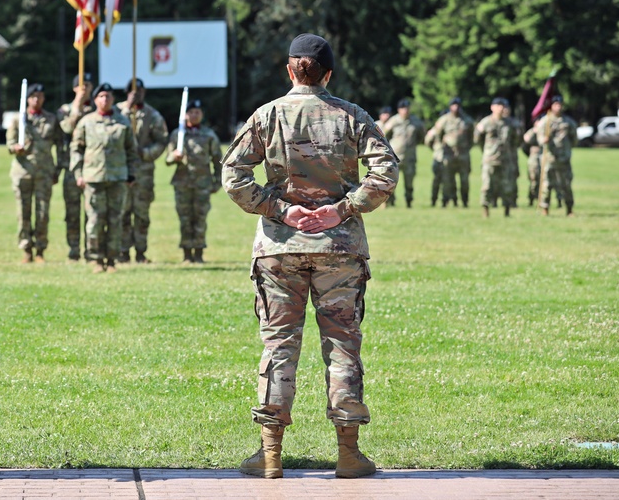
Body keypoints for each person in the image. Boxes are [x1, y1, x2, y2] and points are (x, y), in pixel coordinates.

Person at [222, 34, 397, 481]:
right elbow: (386, 172)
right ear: (328, 73)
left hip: (280, 250)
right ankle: (348, 454)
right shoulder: (352, 116)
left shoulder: (268, 115)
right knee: (342, 345)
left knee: (279, 346)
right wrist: (341, 209)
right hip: (340, 250)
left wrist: (281, 209)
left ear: (290, 71)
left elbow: (233, 174)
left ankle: (270, 454)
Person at [70, 82, 138, 273]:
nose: (105, 99)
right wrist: (78, 174)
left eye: (108, 96)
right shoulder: (86, 121)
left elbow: (131, 150)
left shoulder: (122, 122)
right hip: (93, 178)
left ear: (113, 100)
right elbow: (76, 149)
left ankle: (112, 259)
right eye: (101, 96)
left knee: (115, 220)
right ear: (95, 100)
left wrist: (132, 173)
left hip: (118, 178)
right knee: (94, 221)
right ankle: (96, 258)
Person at [6, 82, 61, 263]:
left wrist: (58, 169)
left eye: (40, 97)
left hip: (44, 171)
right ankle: (26, 248)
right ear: (27, 99)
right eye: (33, 97)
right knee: (24, 212)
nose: (37, 100)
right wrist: (16, 148)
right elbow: (10, 144)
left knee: (43, 213)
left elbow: (60, 145)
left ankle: (40, 250)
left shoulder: (51, 119)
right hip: (23, 172)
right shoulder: (18, 120)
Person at [117, 78, 168, 263]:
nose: (136, 93)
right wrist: (126, 108)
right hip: (121, 171)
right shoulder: (117, 111)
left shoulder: (152, 115)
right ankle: (122, 251)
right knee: (122, 212)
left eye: (139, 90)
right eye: (132, 90)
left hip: (143, 173)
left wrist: (145, 153)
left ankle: (140, 252)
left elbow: (161, 141)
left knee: (141, 215)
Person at [165, 99, 222, 263]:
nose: (194, 115)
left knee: (200, 218)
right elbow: (167, 160)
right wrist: (174, 156)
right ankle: (186, 254)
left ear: (201, 114)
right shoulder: (178, 134)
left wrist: (217, 182)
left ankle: (198, 253)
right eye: (191, 112)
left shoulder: (209, 135)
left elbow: (218, 160)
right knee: (184, 218)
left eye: (197, 112)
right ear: (185, 114)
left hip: (202, 184)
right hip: (182, 184)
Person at [57, 73, 94, 261]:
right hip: (72, 167)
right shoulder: (65, 110)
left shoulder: (98, 109)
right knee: (72, 212)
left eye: (87, 85)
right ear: (74, 88)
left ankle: (91, 249)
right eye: (81, 85)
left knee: (92, 212)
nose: (85, 88)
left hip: (93, 167)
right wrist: (77, 107)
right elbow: (67, 128)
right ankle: (73, 250)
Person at [474, 97, 519, 218]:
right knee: (487, 185)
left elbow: (516, 140)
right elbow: (478, 139)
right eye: (498, 105)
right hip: (490, 159)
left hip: (506, 160)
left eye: (502, 106)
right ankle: (485, 209)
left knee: (507, 186)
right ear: (492, 107)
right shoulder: (485, 122)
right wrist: (487, 151)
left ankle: (507, 210)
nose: (501, 108)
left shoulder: (510, 123)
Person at [533, 95, 578, 217]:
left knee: (566, 185)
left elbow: (574, 139)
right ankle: (545, 208)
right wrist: (544, 140)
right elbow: (539, 138)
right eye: (555, 104)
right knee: (547, 185)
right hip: (549, 159)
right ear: (551, 106)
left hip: (564, 159)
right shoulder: (545, 121)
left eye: (560, 104)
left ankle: (569, 209)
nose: (558, 107)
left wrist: (566, 149)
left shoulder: (568, 122)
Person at [429, 97, 473, 207]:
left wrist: (466, 148)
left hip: (463, 155)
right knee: (448, 180)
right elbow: (437, 136)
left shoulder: (467, 120)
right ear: (450, 107)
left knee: (464, 180)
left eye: (458, 105)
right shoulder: (443, 120)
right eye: (453, 105)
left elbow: (472, 138)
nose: (456, 107)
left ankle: (465, 201)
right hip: (448, 155)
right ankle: (448, 200)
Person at [381, 99, 425, 207]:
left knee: (409, 182)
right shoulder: (393, 121)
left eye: (407, 108)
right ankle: (389, 202)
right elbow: (384, 136)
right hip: (395, 158)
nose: (405, 110)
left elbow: (421, 136)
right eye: (403, 108)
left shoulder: (415, 122)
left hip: (410, 157)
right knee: (391, 181)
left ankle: (409, 201)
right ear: (399, 110)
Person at [521, 126, 541, 206]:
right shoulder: (532, 131)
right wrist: (534, 131)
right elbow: (525, 142)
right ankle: (531, 199)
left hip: (545, 158)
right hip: (534, 160)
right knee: (534, 180)